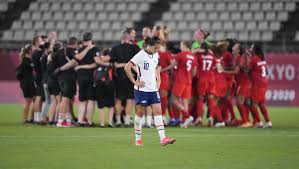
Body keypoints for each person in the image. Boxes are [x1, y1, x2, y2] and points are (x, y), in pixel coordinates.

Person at [124, 36, 176, 146]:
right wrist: (134, 81)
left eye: (158, 48)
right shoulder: (140, 55)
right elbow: (127, 67)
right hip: (141, 90)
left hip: (153, 89)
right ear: (149, 46)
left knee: (158, 111)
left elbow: (156, 67)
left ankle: (163, 138)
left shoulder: (156, 55)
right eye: (155, 48)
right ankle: (138, 139)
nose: (157, 50)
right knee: (140, 114)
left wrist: (159, 79)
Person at [109, 31, 140, 127]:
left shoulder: (115, 48)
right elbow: (138, 62)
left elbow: (112, 63)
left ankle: (118, 121)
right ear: (129, 39)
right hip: (131, 76)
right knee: (130, 99)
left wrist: (120, 65)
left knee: (118, 99)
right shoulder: (135, 48)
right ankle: (127, 121)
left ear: (121, 39)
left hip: (118, 76)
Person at [171, 41, 197, 128]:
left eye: (181, 45)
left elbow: (172, 65)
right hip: (188, 81)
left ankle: (187, 116)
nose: (180, 47)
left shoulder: (181, 55)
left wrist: (162, 70)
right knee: (185, 100)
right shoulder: (193, 56)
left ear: (185, 46)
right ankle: (185, 122)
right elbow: (194, 72)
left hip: (180, 80)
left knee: (174, 100)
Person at [247, 45, 272, 128]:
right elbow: (266, 72)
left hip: (257, 83)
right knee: (261, 103)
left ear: (255, 50)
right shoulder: (262, 58)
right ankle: (268, 122)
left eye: (251, 48)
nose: (250, 49)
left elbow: (247, 70)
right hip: (264, 82)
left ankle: (259, 122)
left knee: (252, 103)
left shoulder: (254, 59)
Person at [93, 48, 114, 127]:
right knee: (111, 105)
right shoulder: (111, 63)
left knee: (101, 105)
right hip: (109, 84)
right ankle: (110, 122)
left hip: (98, 83)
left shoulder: (98, 62)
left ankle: (102, 123)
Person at [16, 44, 36, 124]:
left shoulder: (27, 60)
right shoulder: (26, 60)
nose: (34, 50)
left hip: (29, 82)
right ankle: (25, 119)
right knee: (29, 101)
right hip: (27, 83)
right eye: (33, 49)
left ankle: (32, 118)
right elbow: (34, 66)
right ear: (30, 51)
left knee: (35, 99)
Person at [47, 42, 62, 125]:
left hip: (49, 81)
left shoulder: (50, 58)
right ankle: (56, 120)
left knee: (53, 102)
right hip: (55, 82)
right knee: (60, 102)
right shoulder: (57, 59)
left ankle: (50, 120)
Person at [31, 35, 45, 123]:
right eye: (41, 40)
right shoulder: (38, 53)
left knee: (38, 98)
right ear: (36, 42)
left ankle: (37, 117)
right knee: (39, 97)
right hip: (40, 76)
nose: (42, 42)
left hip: (37, 75)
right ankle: (37, 118)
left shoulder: (35, 52)